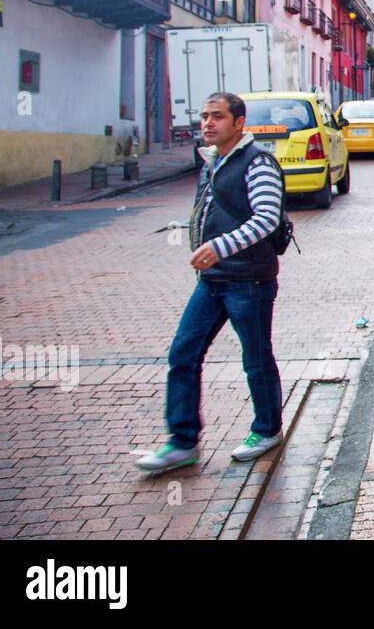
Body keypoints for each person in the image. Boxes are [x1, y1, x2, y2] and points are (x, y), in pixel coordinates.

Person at [138, 92, 286, 473]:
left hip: (249, 279)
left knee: (255, 356)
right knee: (183, 353)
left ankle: (267, 429)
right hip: (213, 280)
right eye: (204, 116)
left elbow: (267, 217)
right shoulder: (213, 161)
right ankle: (182, 440)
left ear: (239, 122)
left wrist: (219, 246)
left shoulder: (258, 162)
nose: (207, 123)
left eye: (217, 117)